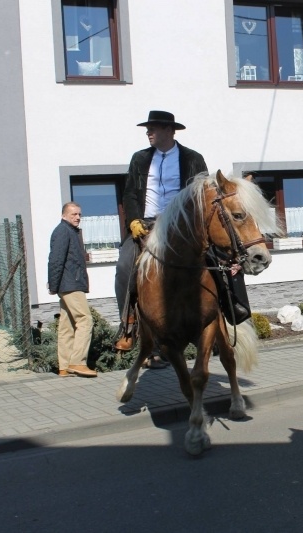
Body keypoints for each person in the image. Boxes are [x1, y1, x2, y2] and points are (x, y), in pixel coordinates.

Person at [114, 110, 209, 367]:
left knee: (221, 260)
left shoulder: (193, 159)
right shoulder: (140, 158)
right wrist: (133, 220)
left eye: (153, 128)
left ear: (170, 130)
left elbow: (201, 196)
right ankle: (128, 326)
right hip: (144, 227)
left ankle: (231, 317)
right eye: (148, 129)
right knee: (124, 267)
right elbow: (130, 194)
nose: (148, 132)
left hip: (180, 228)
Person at [47, 202, 96, 377]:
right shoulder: (63, 231)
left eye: (79, 214)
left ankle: (64, 367)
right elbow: (55, 260)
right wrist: (53, 284)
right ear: (64, 215)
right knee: (85, 319)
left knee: (67, 325)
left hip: (69, 283)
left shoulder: (70, 232)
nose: (77, 217)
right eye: (73, 214)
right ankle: (77, 362)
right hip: (70, 284)